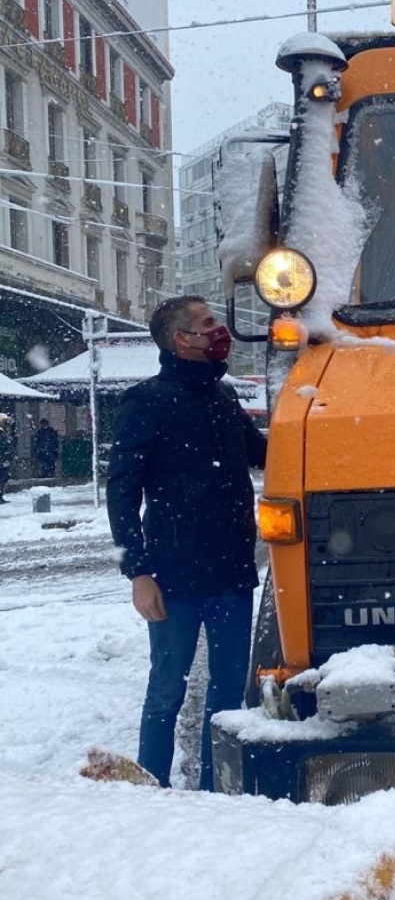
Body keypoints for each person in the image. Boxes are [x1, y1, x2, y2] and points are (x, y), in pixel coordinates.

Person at [106, 296, 267, 790]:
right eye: (208, 323)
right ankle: (149, 786)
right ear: (183, 339)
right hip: (174, 578)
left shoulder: (221, 398)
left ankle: (214, 786)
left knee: (227, 694)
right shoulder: (147, 401)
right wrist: (138, 572)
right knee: (166, 691)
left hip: (233, 575)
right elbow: (122, 490)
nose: (219, 330)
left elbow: (265, 452)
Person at [0, 414, 13, 502]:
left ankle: (0, 496)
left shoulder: (4, 433)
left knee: (4, 478)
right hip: (2, 460)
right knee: (2, 478)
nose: (7, 424)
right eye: (5, 422)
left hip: (4, 459)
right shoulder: (1, 434)